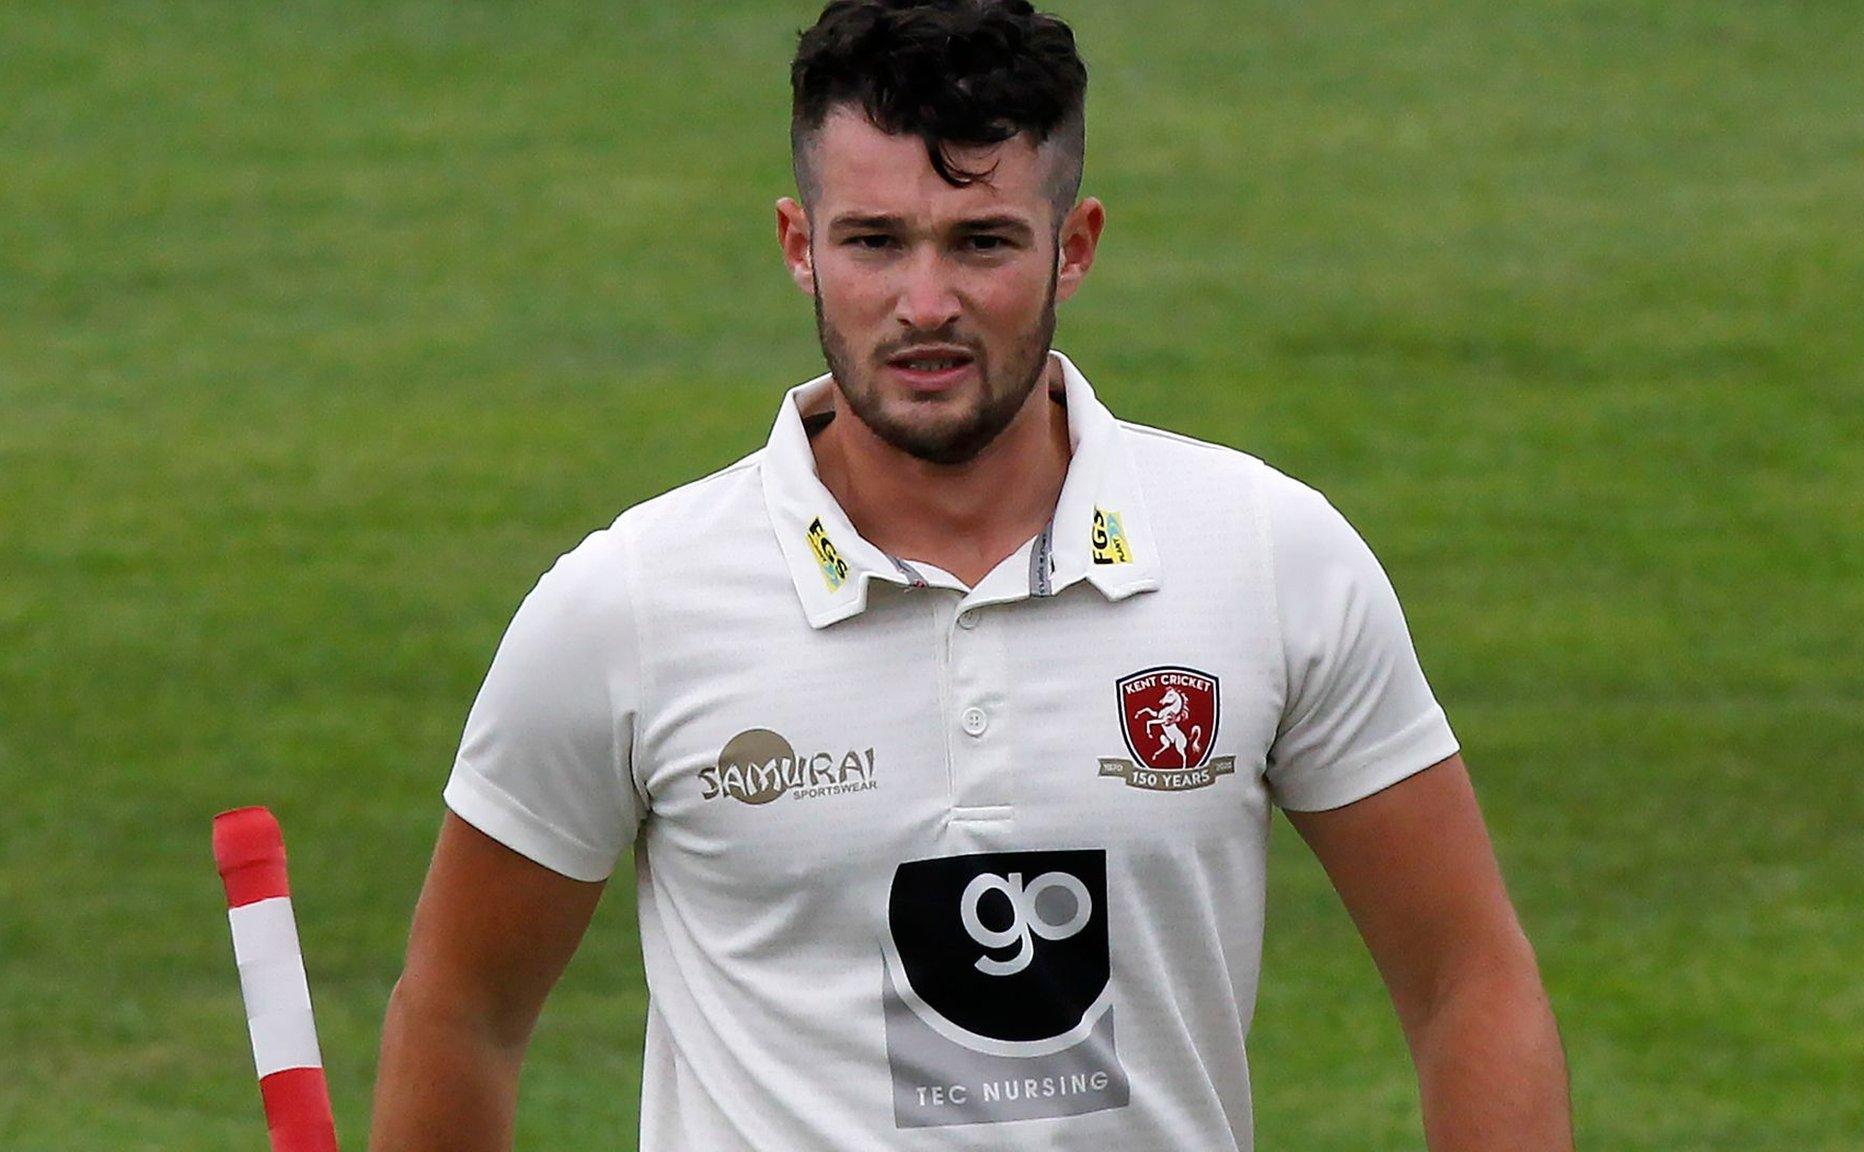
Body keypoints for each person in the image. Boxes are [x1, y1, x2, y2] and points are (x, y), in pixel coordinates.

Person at [368, 2, 1573, 1149]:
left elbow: (1464, 974)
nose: (924, 304)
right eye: (874, 242)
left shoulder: (1265, 558)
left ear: (1076, 246)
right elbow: (462, 1011)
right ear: (800, 246)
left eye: (982, 242)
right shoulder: (629, 606)